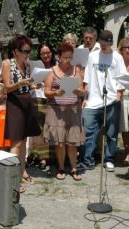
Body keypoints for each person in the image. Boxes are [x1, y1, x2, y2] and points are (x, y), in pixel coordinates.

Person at [78, 30, 126, 172]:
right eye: (103, 44)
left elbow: (122, 78)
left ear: (111, 44)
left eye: (108, 44)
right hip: (93, 100)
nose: (105, 46)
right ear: (99, 42)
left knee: (111, 132)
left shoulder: (117, 58)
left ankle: (109, 159)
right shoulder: (92, 56)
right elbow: (86, 79)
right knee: (89, 132)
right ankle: (87, 160)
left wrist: (119, 93)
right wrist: (85, 98)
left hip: (111, 100)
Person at [2, 34, 41, 192]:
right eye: (25, 51)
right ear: (15, 51)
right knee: (16, 143)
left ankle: (22, 171)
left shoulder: (27, 65)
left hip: (27, 101)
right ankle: (13, 180)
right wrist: (20, 83)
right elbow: (6, 87)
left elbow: (28, 84)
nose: (27, 54)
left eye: (29, 50)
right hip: (15, 102)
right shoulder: (7, 63)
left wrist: (33, 86)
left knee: (24, 140)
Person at [43, 42, 85, 181]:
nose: (68, 60)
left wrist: (78, 91)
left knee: (72, 141)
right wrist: (56, 92)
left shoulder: (76, 70)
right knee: (59, 142)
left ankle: (73, 168)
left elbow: (83, 90)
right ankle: (61, 167)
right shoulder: (52, 71)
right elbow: (46, 92)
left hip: (73, 109)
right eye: (65, 57)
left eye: (70, 58)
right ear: (59, 57)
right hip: (56, 111)